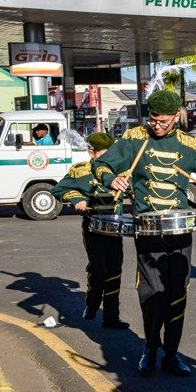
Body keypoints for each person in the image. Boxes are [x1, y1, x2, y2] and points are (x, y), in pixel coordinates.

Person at [93, 90, 196, 377]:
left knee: (177, 292)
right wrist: (110, 177)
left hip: (179, 232)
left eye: (164, 121)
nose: (157, 125)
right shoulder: (134, 140)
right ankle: (151, 348)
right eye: (153, 119)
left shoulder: (188, 143)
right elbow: (101, 164)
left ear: (177, 117)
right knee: (152, 293)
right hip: (148, 231)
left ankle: (172, 353)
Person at [52, 132, 129, 329]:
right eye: (103, 154)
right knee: (98, 268)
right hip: (93, 225)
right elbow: (59, 189)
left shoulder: (121, 170)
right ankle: (92, 303)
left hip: (114, 225)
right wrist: (77, 199)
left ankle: (111, 316)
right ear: (91, 152)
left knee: (114, 270)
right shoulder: (81, 170)